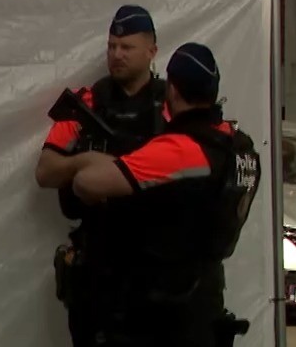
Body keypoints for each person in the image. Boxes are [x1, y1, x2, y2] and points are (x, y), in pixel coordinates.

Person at [67, 43, 263, 347]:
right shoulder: (242, 148)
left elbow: (85, 183)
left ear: (171, 89)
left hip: (161, 315)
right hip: (205, 303)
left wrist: (88, 160)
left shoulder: (183, 149)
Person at [34, 4, 168, 345]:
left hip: (156, 269)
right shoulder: (86, 103)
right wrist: (86, 162)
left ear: (152, 51)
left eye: (126, 47)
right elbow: (46, 171)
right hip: (98, 269)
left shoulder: (171, 105)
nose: (117, 55)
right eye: (111, 47)